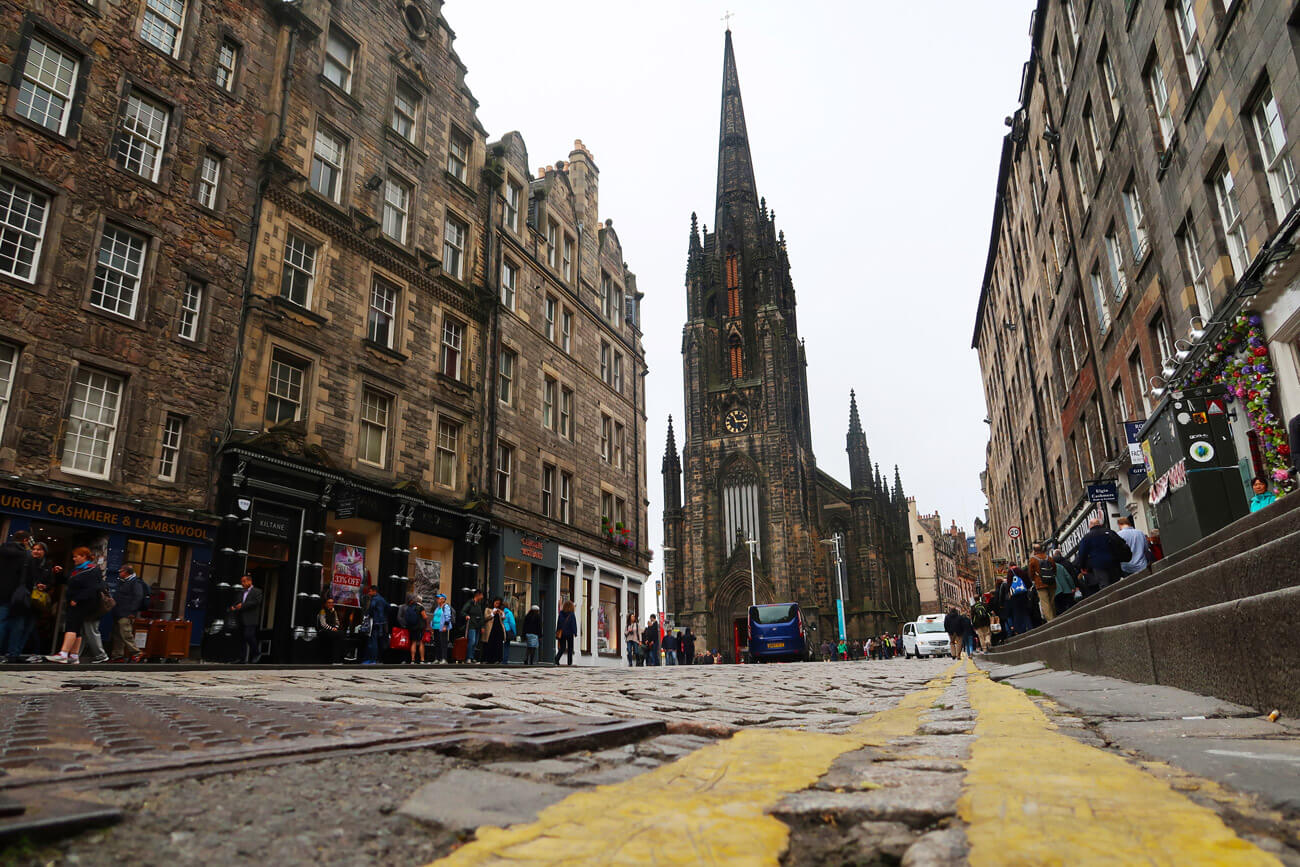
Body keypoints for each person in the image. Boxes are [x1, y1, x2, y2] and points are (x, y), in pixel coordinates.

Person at [47, 547, 105, 664]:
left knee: (71, 627)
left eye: (76, 556)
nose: (74, 559)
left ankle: (63, 653)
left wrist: (78, 599)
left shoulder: (92, 570)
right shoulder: (76, 570)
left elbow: (93, 588)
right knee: (77, 630)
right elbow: (66, 581)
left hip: (83, 603)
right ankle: (73, 656)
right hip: (75, 602)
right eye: (73, 556)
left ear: (84, 557)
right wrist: (59, 573)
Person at [0, 531, 33, 661]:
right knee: (17, 625)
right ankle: (13, 653)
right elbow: (29, 577)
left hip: (1, 593)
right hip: (18, 596)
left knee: (1, 622)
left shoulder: (1, 551)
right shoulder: (26, 555)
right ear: (25, 540)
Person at [1074, 518, 1126, 596]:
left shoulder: (1087, 537)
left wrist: (1082, 567)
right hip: (1113, 562)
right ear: (1100, 524)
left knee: (1104, 585)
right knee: (1115, 582)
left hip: (1098, 565)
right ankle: (1121, 597)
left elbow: (1082, 554)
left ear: (1090, 526)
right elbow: (1121, 544)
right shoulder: (1109, 532)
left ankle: (1110, 602)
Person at [109, 565, 148, 661]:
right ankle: (117, 656)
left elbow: (138, 597)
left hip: (126, 613)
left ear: (126, 572)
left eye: (120, 571)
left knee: (126, 633)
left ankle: (137, 653)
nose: (119, 573)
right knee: (117, 634)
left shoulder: (135, 582)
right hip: (118, 612)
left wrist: (132, 611)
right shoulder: (123, 582)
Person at [229, 574, 264, 663]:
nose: (243, 583)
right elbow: (237, 602)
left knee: (248, 636)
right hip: (240, 618)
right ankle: (241, 658)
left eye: (244, 581)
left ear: (250, 581)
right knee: (241, 638)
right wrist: (233, 607)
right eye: (242, 582)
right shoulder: (241, 592)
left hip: (251, 619)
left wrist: (242, 605)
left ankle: (256, 653)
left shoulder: (257, 591)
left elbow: (256, 602)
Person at [1027, 544, 1055, 623]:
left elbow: (1031, 573)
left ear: (1034, 551)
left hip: (1040, 584)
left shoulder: (1033, 560)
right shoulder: (1048, 557)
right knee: (1052, 600)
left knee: (1045, 602)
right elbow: (1054, 568)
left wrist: (1034, 580)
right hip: (1051, 582)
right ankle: (1054, 616)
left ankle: (1051, 620)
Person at [361, 584, 388, 664]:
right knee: (378, 641)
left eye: (370, 591)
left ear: (374, 591)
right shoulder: (382, 599)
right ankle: (377, 659)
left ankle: (372, 659)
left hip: (375, 622)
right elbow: (388, 607)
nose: (369, 593)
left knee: (373, 641)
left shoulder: (374, 599)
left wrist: (368, 614)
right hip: (382, 623)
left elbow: (371, 610)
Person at [1048, 551, 1078, 617]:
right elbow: (1068, 577)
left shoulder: (1047, 570)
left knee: (1061, 611)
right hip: (1067, 590)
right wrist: (1072, 587)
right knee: (1071, 607)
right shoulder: (1059, 566)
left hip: (1056, 593)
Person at [1006, 566, 1033, 637]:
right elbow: (1028, 582)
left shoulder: (1010, 573)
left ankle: (1020, 630)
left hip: (1015, 597)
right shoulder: (1021, 571)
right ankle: (1029, 626)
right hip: (1024, 595)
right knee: (1025, 612)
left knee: (1017, 613)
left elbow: (1008, 585)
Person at [460, 590, 485, 664]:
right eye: (482, 595)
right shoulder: (470, 603)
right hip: (471, 625)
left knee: (475, 642)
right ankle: (468, 657)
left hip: (477, 625)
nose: (482, 597)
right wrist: (466, 616)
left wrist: (482, 626)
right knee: (472, 641)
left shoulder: (479, 604)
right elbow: (463, 611)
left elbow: (481, 616)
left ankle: (472, 656)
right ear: (478, 595)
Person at [430, 594, 453, 663]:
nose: (437, 600)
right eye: (437, 598)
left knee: (443, 643)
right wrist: (432, 626)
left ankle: (444, 659)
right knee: (437, 643)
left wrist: (445, 626)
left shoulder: (446, 607)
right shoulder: (437, 608)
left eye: (438, 598)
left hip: (442, 628)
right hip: (436, 628)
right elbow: (434, 617)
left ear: (443, 599)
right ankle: (437, 658)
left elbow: (448, 616)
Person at [317, 596, 342, 663]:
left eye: (332, 603)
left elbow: (337, 621)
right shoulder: (323, 611)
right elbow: (323, 624)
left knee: (341, 634)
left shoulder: (334, 611)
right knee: (336, 635)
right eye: (329, 602)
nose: (331, 604)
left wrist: (336, 628)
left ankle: (337, 659)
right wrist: (332, 629)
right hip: (324, 630)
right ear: (326, 604)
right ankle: (333, 659)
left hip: (332, 630)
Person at [482, 597, 506, 664]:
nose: (497, 605)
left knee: (498, 644)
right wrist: (493, 613)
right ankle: (489, 659)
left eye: (498, 603)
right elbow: (485, 617)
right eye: (496, 603)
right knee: (490, 644)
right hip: (491, 629)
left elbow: (503, 618)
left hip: (499, 629)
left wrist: (501, 613)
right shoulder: (488, 609)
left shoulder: (500, 610)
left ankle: (498, 659)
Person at [404, 594, 427, 665]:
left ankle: (412, 660)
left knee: (413, 642)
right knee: (421, 642)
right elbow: (425, 617)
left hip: (411, 628)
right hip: (419, 628)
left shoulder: (408, 608)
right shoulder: (420, 607)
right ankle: (422, 660)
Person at [555, 600, 578, 665]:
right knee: (570, 648)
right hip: (569, 633)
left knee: (562, 647)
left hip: (562, 633)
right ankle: (569, 662)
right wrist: (575, 632)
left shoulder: (561, 613)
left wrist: (557, 631)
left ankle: (556, 659)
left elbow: (559, 623)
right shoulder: (572, 614)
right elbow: (573, 624)